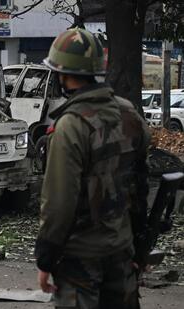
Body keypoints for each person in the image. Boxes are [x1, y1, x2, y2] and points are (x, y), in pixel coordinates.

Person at [34, 28, 150, 309]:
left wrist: (45, 259)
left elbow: (59, 203)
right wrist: (139, 248)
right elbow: (140, 185)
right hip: (121, 252)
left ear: (61, 75)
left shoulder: (71, 125)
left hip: (79, 261)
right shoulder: (129, 113)